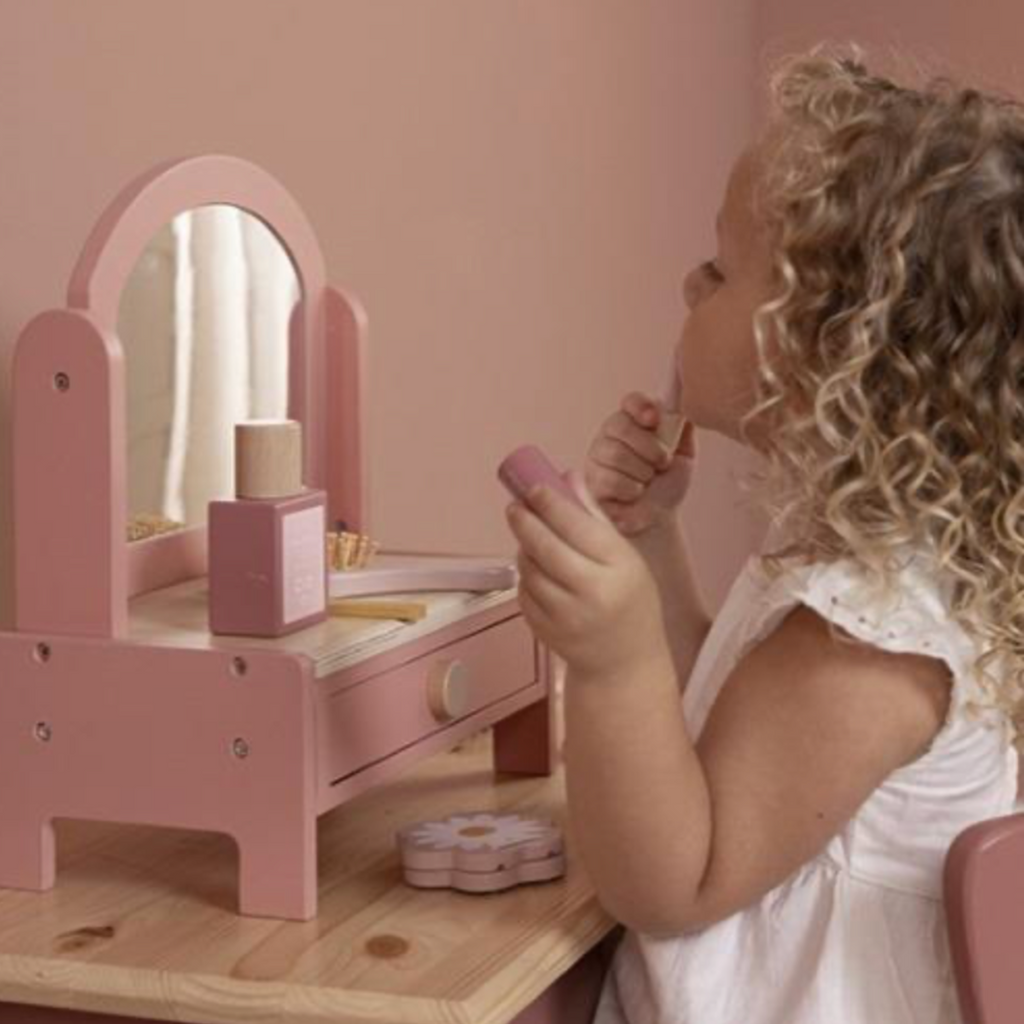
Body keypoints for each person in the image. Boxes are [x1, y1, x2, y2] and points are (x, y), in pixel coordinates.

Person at [503, 42, 1023, 1023]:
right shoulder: (867, 577)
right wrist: (653, 546)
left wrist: (611, 663)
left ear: (830, 349)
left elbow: (671, 878)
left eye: (720, 270)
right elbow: (719, 733)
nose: (691, 288)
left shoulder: (864, 647)